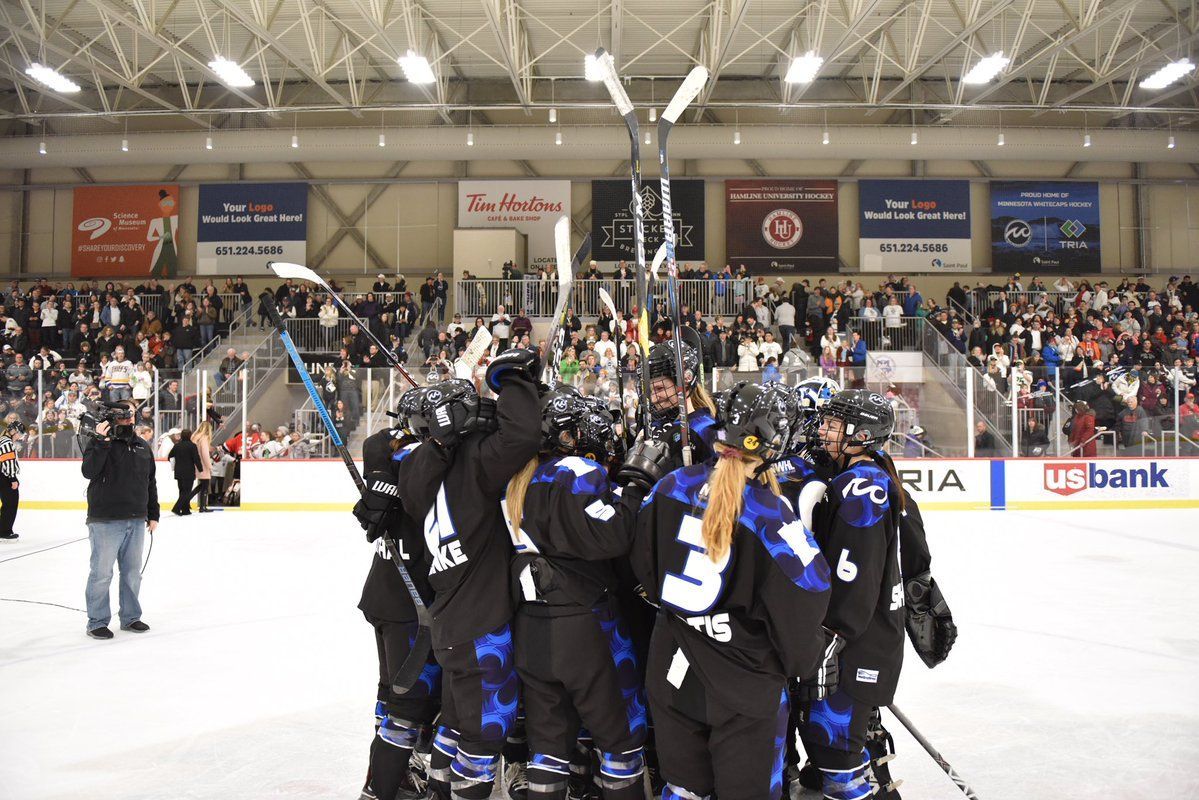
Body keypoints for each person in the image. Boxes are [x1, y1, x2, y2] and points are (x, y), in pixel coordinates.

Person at [630, 380, 831, 800]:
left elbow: (644, 569)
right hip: (744, 687)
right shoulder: (772, 517)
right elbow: (805, 602)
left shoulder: (668, 487)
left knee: (683, 791)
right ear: (775, 444)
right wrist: (799, 661)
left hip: (671, 671)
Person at [504, 388, 669, 800]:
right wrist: (633, 485)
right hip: (587, 629)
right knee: (620, 744)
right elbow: (612, 536)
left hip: (532, 629)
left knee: (548, 751)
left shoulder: (515, 478)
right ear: (567, 434)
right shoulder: (575, 470)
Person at [393, 351, 542, 800]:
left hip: (450, 626)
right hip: (480, 631)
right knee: (483, 735)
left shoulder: (420, 466)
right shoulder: (473, 462)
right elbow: (522, 436)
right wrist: (511, 379)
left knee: (455, 727)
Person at [798, 389, 906, 800]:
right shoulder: (861, 476)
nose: (823, 430)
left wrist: (830, 639)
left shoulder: (863, 488)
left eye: (832, 424)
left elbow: (854, 577)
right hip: (860, 639)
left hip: (856, 645)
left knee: (836, 753)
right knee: (832, 749)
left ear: (860, 434)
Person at [351, 417, 441, 800]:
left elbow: (377, 443)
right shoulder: (423, 463)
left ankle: (388, 778)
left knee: (391, 694)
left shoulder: (395, 458)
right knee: (408, 701)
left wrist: (378, 477)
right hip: (408, 605)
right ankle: (380, 787)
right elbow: (376, 441)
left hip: (389, 598)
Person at [81, 403, 159, 640]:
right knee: (102, 573)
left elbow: (150, 482)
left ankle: (131, 617)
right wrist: (103, 442)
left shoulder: (142, 445)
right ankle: (97, 621)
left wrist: (153, 513)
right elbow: (89, 471)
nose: (128, 419)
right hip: (105, 520)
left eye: (130, 415)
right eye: (122, 416)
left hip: (136, 520)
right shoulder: (98, 442)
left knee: (132, 573)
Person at [168, 429, 203, 516]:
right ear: (190, 436)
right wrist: (200, 469)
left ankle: (185, 509)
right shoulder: (192, 446)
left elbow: (170, 456)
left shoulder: (177, 445)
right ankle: (176, 508)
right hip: (188, 472)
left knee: (182, 491)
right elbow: (196, 458)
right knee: (186, 491)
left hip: (179, 472)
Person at [0, 420, 25, 540]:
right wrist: (13, 479)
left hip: (3, 477)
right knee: (10, 504)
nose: (19, 437)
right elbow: (8, 462)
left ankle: (4, 530)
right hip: (4, 477)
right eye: (19, 434)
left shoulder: (3, 440)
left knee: (7, 504)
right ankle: (5, 531)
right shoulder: (7, 443)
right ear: (14, 431)